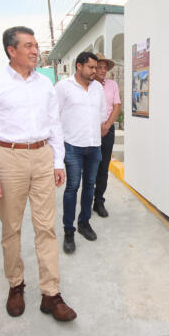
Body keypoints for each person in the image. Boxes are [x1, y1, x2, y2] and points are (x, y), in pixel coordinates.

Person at [0, 26, 76, 322]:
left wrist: (58, 161)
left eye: (36, 46)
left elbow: (55, 124)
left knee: (46, 227)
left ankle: (51, 293)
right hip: (10, 157)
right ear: (11, 50)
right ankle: (16, 285)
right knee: (11, 227)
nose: (35, 51)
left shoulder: (44, 84)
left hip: (43, 155)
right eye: (29, 46)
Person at [54, 52, 105, 254]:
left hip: (94, 145)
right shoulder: (63, 87)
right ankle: (69, 231)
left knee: (90, 186)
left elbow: (101, 113)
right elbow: (53, 117)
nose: (95, 71)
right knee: (72, 187)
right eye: (91, 67)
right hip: (72, 146)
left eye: (96, 68)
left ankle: (84, 223)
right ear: (79, 66)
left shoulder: (98, 88)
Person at [92, 53, 121, 217]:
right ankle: (87, 199)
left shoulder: (112, 85)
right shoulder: (87, 85)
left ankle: (99, 202)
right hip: (90, 131)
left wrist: (107, 125)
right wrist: (97, 127)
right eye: (99, 67)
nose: (102, 70)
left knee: (103, 168)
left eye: (105, 67)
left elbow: (117, 106)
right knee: (90, 169)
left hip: (107, 131)